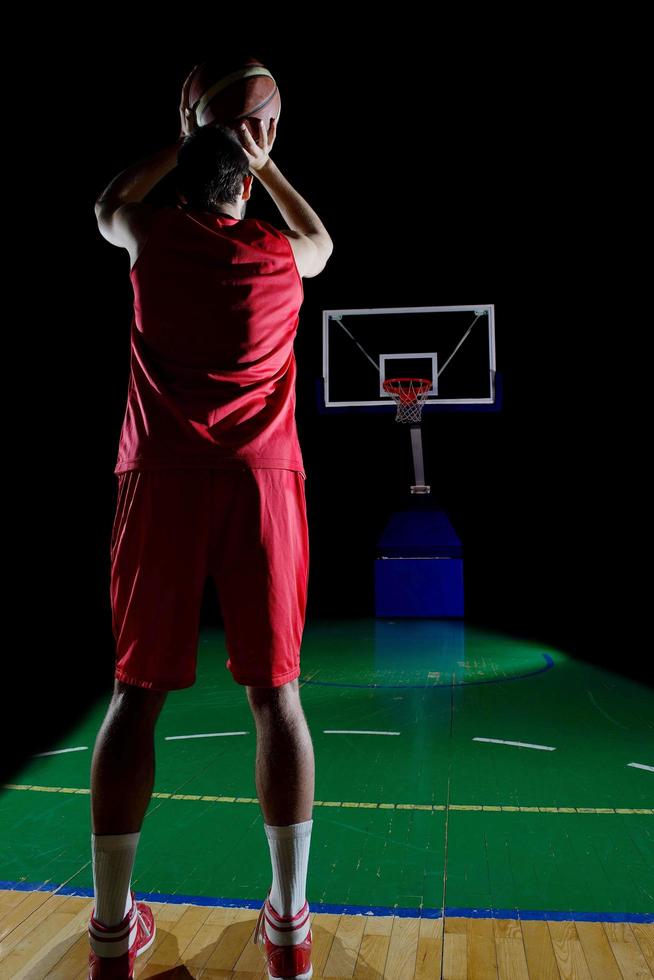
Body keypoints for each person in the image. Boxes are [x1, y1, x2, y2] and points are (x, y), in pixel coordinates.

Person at [87, 65, 333, 980]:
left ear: (186, 169)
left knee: (134, 697)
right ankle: (290, 926)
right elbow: (321, 238)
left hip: (162, 481)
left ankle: (111, 934)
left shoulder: (148, 238)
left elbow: (108, 198)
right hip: (261, 485)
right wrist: (258, 159)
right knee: (277, 697)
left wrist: (191, 134)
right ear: (246, 171)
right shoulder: (281, 259)